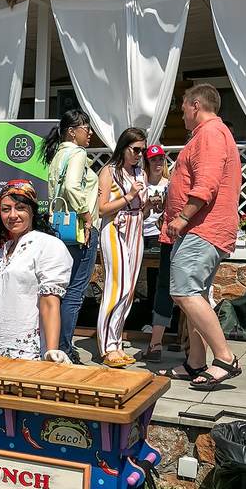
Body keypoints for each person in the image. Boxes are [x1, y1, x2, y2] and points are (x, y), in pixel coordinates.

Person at [160, 84, 243, 389]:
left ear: (195, 105)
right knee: (195, 295)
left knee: (184, 292)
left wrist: (182, 217)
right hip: (200, 227)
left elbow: (206, 184)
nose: (180, 113)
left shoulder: (209, 134)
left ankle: (225, 358)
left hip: (202, 228)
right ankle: (196, 362)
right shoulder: (210, 134)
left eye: (182, 106)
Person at [0, 180, 72, 362]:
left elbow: (50, 302)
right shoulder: (0, 254)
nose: (12, 215)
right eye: (5, 209)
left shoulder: (48, 246)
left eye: (20, 208)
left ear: (32, 210)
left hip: (27, 354)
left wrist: (52, 351)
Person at [43, 108, 100, 364]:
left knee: (60, 289)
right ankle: (65, 346)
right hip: (79, 230)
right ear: (72, 131)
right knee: (75, 292)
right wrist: (87, 217)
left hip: (59, 228)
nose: (89, 133)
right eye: (85, 128)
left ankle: (57, 342)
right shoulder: (77, 154)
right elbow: (71, 187)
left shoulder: (57, 156)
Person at [96, 128, 149, 368]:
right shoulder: (109, 171)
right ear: (124, 147)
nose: (140, 154)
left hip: (136, 228)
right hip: (115, 227)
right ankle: (106, 345)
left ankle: (116, 342)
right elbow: (102, 208)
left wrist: (152, 206)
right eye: (136, 149)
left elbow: (142, 207)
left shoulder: (140, 172)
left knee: (129, 290)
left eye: (142, 150)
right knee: (117, 285)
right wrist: (129, 196)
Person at [138, 142, 173, 363]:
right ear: (147, 163)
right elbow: (135, 214)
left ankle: (155, 325)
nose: (158, 163)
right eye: (153, 160)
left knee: (158, 280)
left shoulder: (169, 184)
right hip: (141, 234)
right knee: (137, 280)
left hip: (160, 235)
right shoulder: (141, 184)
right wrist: (148, 207)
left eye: (161, 159)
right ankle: (139, 320)